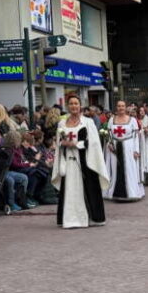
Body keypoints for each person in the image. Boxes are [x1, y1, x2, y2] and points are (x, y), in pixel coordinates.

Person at [52, 93, 109, 228]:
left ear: (80, 106)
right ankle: (70, 218)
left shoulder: (88, 122)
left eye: (76, 103)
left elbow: (94, 143)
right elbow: (59, 143)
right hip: (68, 162)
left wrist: (76, 144)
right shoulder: (61, 123)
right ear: (67, 106)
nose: (73, 106)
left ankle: (91, 217)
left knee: (88, 188)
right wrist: (62, 144)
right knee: (69, 189)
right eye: (71, 104)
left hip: (85, 162)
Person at [103, 100, 146, 202]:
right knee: (115, 169)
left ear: (125, 107)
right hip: (114, 149)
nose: (121, 108)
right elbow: (109, 134)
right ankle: (114, 192)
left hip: (128, 148)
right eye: (119, 106)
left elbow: (135, 136)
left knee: (129, 170)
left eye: (122, 106)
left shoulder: (132, 120)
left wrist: (136, 150)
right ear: (116, 108)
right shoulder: (111, 120)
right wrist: (109, 143)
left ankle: (132, 192)